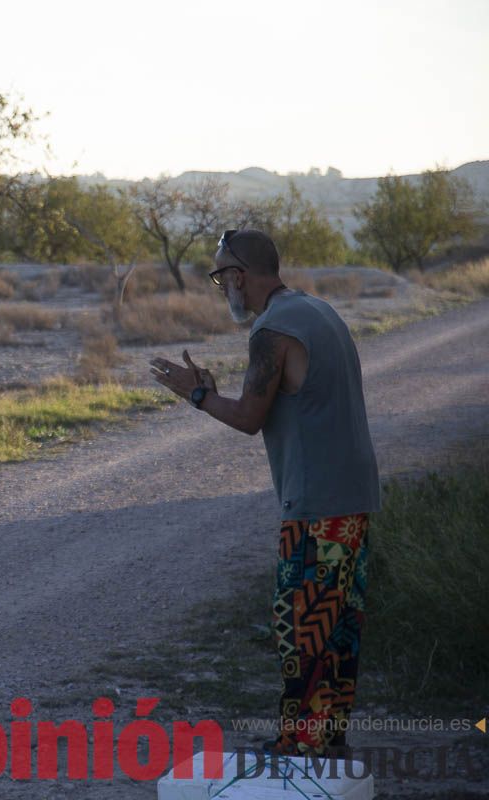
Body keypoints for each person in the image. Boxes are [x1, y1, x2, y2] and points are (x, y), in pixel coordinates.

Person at [150, 229, 379, 757]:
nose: (220, 287)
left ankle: (302, 744)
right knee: (338, 625)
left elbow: (250, 419)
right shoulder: (316, 310)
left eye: (219, 276)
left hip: (316, 502)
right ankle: (325, 738)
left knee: (301, 624)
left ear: (239, 275)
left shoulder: (271, 331)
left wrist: (198, 393)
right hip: (353, 494)